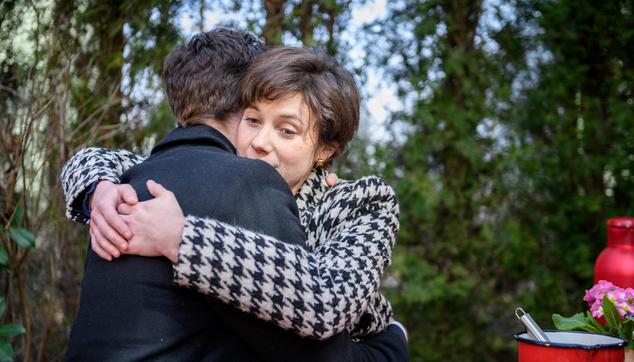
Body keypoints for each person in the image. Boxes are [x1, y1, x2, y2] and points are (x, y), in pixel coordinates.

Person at [62, 28, 406, 361]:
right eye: (254, 120)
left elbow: (329, 300)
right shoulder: (220, 175)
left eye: (286, 130)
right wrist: (100, 189)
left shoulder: (362, 203)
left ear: (325, 150)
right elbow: (97, 158)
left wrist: (183, 239)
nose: (260, 142)